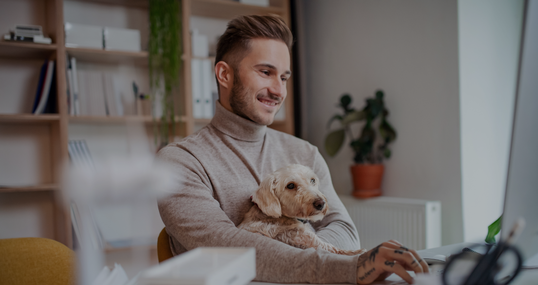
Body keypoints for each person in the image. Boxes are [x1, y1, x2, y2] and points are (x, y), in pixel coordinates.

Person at [157, 15, 429, 284]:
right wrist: (342, 266)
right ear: (224, 74)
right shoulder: (180, 162)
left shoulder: (304, 153)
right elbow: (228, 248)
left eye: (284, 77)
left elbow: (344, 229)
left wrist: (320, 261)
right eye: (266, 72)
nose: (278, 90)